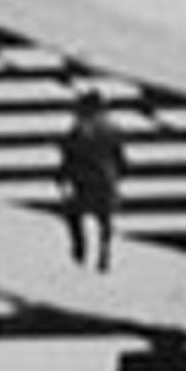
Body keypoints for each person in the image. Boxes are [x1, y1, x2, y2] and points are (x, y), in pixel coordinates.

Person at [58, 88, 126, 271]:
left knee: (75, 215)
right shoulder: (112, 130)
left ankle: (81, 249)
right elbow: (121, 160)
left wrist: (62, 178)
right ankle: (103, 251)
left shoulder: (79, 130)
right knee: (103, 219)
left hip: (85, 182)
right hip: (104, 181)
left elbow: (68, 157)